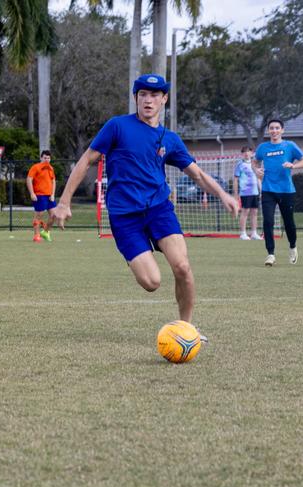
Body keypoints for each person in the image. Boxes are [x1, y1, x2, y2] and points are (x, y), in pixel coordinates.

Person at [51, 74, 238, 326]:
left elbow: (198, 175)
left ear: (164, 99)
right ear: (135, 98)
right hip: (124, 216)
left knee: (182, 267)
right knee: (152, 282)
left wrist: (223, 194)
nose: (148, 100)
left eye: (154, 95)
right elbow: (86, 160)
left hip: (159, 210)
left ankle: (186, 328)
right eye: (143, 95)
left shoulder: (170, 139)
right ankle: (137, 254)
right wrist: (64, 202)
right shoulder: (117, 126)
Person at [253, 119, 303, 266]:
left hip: (286, 191)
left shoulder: (290, 146)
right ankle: (270, 254)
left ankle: (293, 246)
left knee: (289, 223)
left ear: (282, 130)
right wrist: (256, 169)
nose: (274, 131)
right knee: (268, 222)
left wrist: (293, 165)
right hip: (268, 190)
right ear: (268, 131)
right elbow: (255, 161)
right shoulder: (263, 147)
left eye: (277, 128)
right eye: (271, 128)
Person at [26, 150, 59, 242]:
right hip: (39, 195)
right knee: (39, 215)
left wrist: (52, 194)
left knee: (54, 215)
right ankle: (36, 235)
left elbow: (53, 181)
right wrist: (32, 193)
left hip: (49, 196)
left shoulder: (51, 168)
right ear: (41, 158)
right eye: (45, 158)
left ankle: (45, 232)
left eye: (48, 158)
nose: (46, 160)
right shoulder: (35, 167)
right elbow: (29, 179)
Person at [233, 146, 261, 241]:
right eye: (244, 152)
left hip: (255, 192)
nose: (246, 153)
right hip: (245, 192)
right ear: (242, 154)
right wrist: (236, 193)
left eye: (248, 151)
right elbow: (235, 179)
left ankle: (254, 233)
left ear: (252, 153)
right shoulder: (240, 164)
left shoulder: (255, 164)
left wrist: (261, 190)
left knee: (255, 212)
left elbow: (258, 178)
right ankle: (243, 233)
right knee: (245, 212)